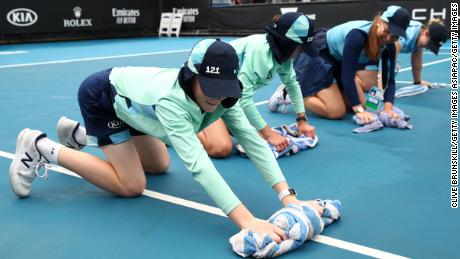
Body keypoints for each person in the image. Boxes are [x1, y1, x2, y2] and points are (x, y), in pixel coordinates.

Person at [9, 39, 323, 242]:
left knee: (159, 165)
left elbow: (254, 143)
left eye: (223, 86)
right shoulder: (174, 102)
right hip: (103, 97)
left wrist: (288, 196)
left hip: (138, 109)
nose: (216, 96)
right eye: (209, 86)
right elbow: (199, 165)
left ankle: (82, 135)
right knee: (132, 185)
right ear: (192, 76)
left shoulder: (227, 95)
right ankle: (41, 147)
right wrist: (245, 220)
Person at [199, 12, 317, 155]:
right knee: (221, 148)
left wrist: (301, 119)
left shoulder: (284, 56)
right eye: (300, 48)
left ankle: (217, 122)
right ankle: (180, 125)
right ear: (288, 44)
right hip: (203, 93)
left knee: (251, 134)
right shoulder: (260, 52)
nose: (300, 53)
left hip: (225, 98)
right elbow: (243, 98)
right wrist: (268, 134)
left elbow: (292, 85)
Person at [270, 6, 410, 124]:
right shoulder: (358, 36)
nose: (388, 38)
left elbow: (388, 80)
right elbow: (347, 75)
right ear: (379, 22)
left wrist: (388, 107)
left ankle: (310, 91)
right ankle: (289, 94)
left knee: (360, 105)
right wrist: (359, 111)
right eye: (387, 31)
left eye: (394, 36)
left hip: (338, 59)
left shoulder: (389, 46)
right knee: (337, 112)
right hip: (320, 54)